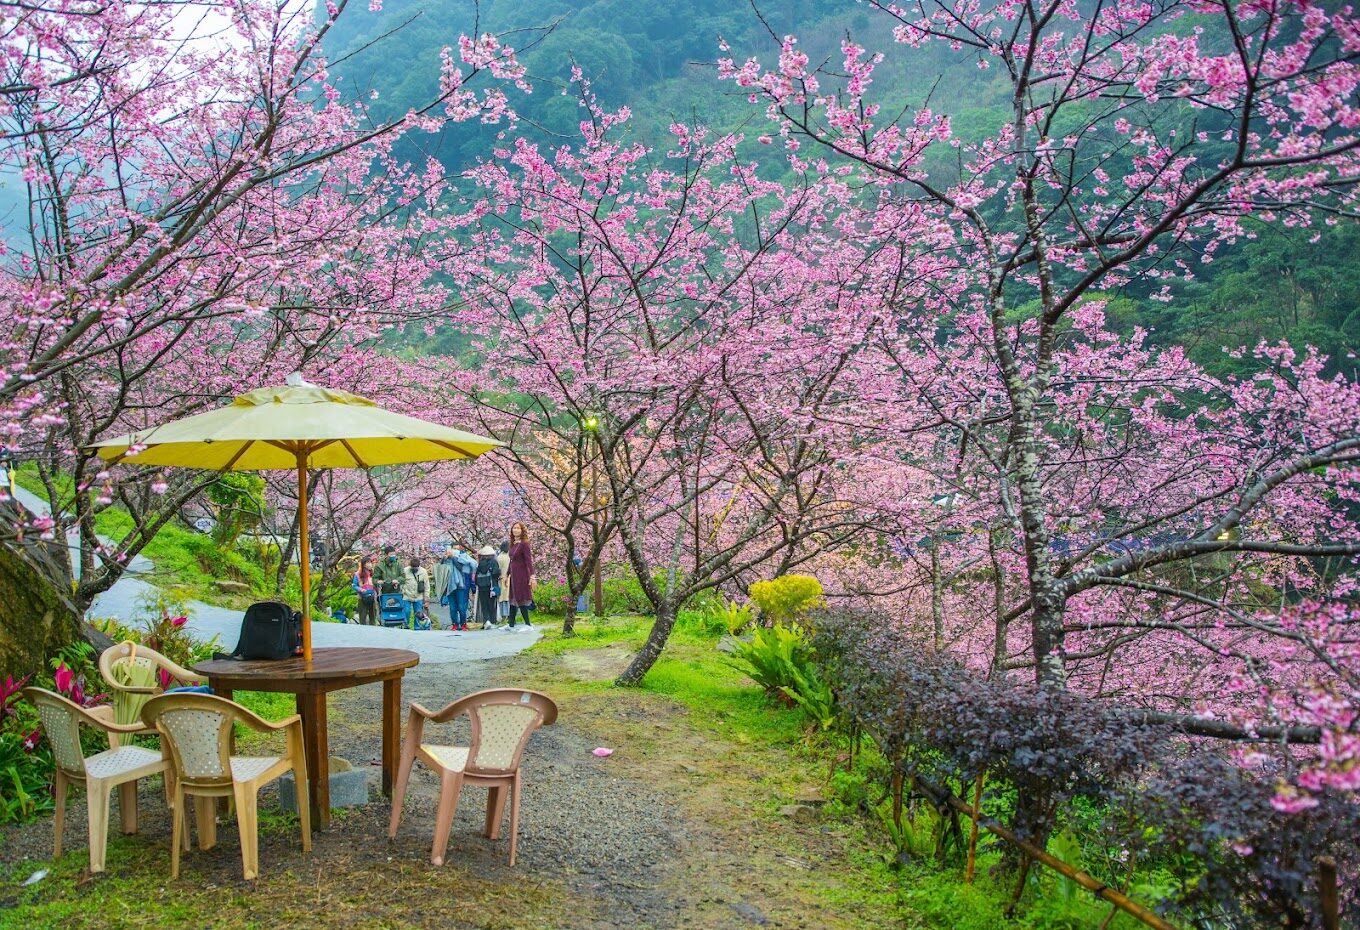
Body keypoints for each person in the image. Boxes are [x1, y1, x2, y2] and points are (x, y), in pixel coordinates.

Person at [507, 522, 535, 629]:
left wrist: (532, 575)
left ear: (522, 530)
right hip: (513, 575)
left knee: (520, 598)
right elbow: (511, 561)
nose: (516, 530)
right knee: (513, 598)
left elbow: (529, 560)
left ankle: (527, 624)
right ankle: (511, 624)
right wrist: (507, 574)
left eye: (518, 528)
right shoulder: (513, 544)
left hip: (522, 574)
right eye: (514, 528)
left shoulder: (524, 544)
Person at [474, 545, 500, 630]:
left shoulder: (481, 563)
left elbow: (476, 576)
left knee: (484, 605)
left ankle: (486, 621)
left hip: (482, 587)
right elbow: (496, 573)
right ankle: (492, 621)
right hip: (491, 587)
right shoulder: (493, 562)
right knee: (492, 604)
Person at [402, 556, 432, 630]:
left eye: (416, 567)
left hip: (418, 596)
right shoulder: (405, 571)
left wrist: (426, 597)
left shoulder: (423, 571)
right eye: (413, 567)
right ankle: (406, 626)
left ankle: (417, 627)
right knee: (406, 611)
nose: (414, 569)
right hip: (407, 595)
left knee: (418, 613)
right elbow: (401, 583)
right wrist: (403, 592)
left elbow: (427, 585)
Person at [352, 557, 378, 625]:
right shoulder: (358, 574)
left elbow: (376, 585)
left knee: (373, 617)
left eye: (370, 563)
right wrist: (361, 590)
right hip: (362, 597)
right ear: (363, 564)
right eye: (368, 563)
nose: (370, 565)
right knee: (362, 617)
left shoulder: (373, 573)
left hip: (372, 597)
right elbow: (354, 585)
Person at [496, 541, 511, 622]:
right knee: (509, 597)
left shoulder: (499, 557)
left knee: (503, 598)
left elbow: (498, 570)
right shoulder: (510, 556)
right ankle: (510, 615)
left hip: (502, 579)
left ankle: (504, 615)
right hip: (510, 579)